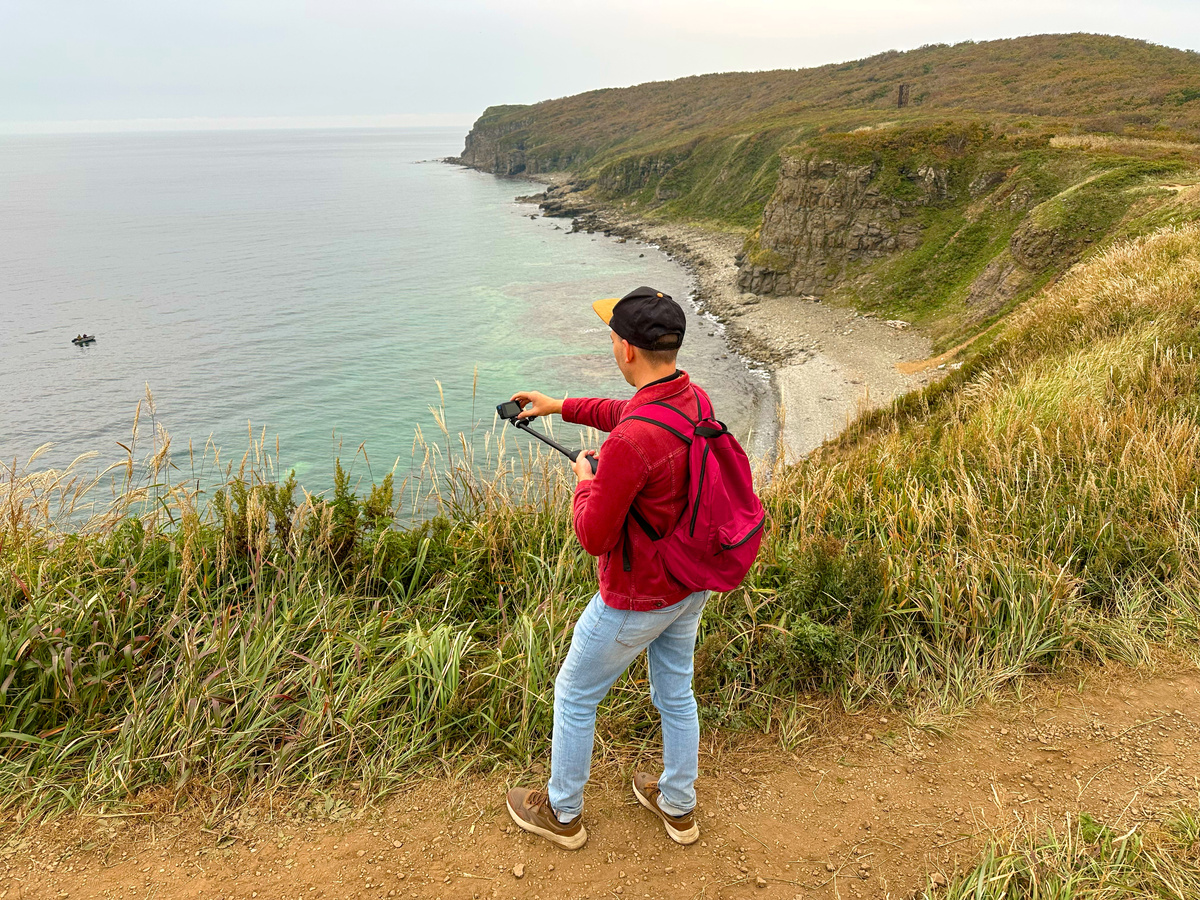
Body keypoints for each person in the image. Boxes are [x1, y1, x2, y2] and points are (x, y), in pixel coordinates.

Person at [506, 286, 711, 850]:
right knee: (676, 693)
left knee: (574, 693)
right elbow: (629, 413)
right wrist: (559, 406)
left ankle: (562, 813)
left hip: (636, 595)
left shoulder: (631, 444)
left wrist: (585, 484)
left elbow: (594, 535)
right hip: (690, 582)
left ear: (626, 350)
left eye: (612, 336)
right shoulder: (693, 399)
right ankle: (678, 805)